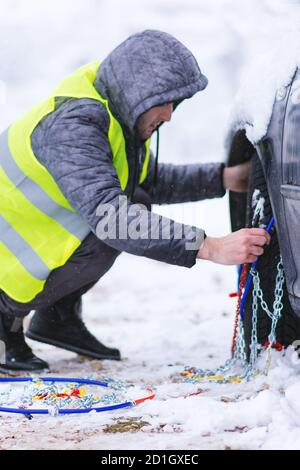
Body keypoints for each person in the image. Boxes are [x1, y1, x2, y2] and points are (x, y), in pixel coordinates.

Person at [0, 30, 270, 372]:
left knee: (133, 199)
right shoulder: (74, 127)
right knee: (118, 219)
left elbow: (148, 181)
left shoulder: (115, 116)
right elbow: (113, 220)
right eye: (165, 101)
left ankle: (57, 318)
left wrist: (224, 178)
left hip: (19, 250)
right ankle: (4, 321)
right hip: (5, 264)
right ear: (139, 91)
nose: (171, 114)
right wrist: (210, 247)